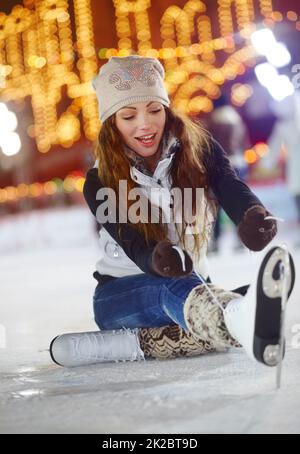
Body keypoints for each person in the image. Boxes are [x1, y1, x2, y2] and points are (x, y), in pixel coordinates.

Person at [50, 56, 295, 368]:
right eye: (129, 115)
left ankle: (236, 316)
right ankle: (237, 319)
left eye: (154, 110)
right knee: (173, 286)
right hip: (121, 297)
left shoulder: (199, 149)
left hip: (193, 285)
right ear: (112, 124)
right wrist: (155, 258)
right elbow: (131, 239)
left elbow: (230, 186)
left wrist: (251, 215)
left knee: (212, 291)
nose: (145, 124)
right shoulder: (100, 182)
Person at [204, 96, 250, 252]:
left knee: (215, 204)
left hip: (220, 165)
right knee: (237, 202)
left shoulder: (213, 122)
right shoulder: (237, 120)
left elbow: (208, 147)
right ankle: (242, 239)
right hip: (238, 163)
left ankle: (216, 241)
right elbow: (246, 144)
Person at [264, 92, 300, 247]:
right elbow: (274, 147)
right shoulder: (283, 125)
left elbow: (273, 148)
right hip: (295, 168)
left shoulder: (283, 125)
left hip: (295, 169)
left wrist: (266, 164)